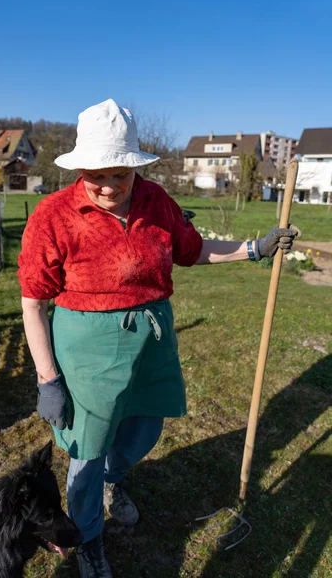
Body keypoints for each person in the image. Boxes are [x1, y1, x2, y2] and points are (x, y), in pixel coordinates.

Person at [18, 99, 299, 577]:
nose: (108, 186)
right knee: (86, 451)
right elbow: (33, 303)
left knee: (144, 430)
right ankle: (87, 539)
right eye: (97, 175)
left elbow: (191, 249)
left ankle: (114, 479)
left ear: (134, 169)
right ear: (82, 168)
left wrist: (254, 248)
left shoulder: (155, 201)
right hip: (87, 348)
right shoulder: (54, 215)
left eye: (119, 175)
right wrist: (48, 379)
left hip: (150, 339)